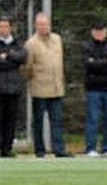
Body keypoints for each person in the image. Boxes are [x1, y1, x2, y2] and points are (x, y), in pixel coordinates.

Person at [23, 12, 72, 158]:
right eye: (41, 24)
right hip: (39, 89)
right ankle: (39, 149)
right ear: (35, 26)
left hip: (56, 88)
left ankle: (59, 148)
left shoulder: (57, 39)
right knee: (38, 121)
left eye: (46, 24)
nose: (44, 27)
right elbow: (27, 67)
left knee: (57, 121)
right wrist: (33, 80)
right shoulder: (31, 43)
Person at [0, 16, 28, 158]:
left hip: (13, 88)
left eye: (6, 26)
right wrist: (12, 60)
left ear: (10, 28)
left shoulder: (17, 43)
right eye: (1, 26)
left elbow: (22, 58)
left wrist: (8, 55)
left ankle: (7, 148)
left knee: (10, 121)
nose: (4, 29)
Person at [82, 18, 107, 157]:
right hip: (93, 89)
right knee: (92, 119)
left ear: (106, 32)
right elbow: (88, 65)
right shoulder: (87, 46)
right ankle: (90, 148)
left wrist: (98, 63)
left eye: (102, 31)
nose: (99, 34)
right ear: (92, 32)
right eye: (97, 31)